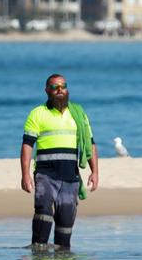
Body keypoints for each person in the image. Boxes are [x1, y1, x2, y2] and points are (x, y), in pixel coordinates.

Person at [21, 73, 98, 250]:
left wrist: (95, 171)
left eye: (63, 86)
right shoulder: (37, 113)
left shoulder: (78, 113)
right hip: (46, 174)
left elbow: (90, 144)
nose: (59, 90)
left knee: (65, 224)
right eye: (55, 87)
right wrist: (25, 175)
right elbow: (27, 146)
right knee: (43, 213)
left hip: (70, 177)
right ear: (47, 90)